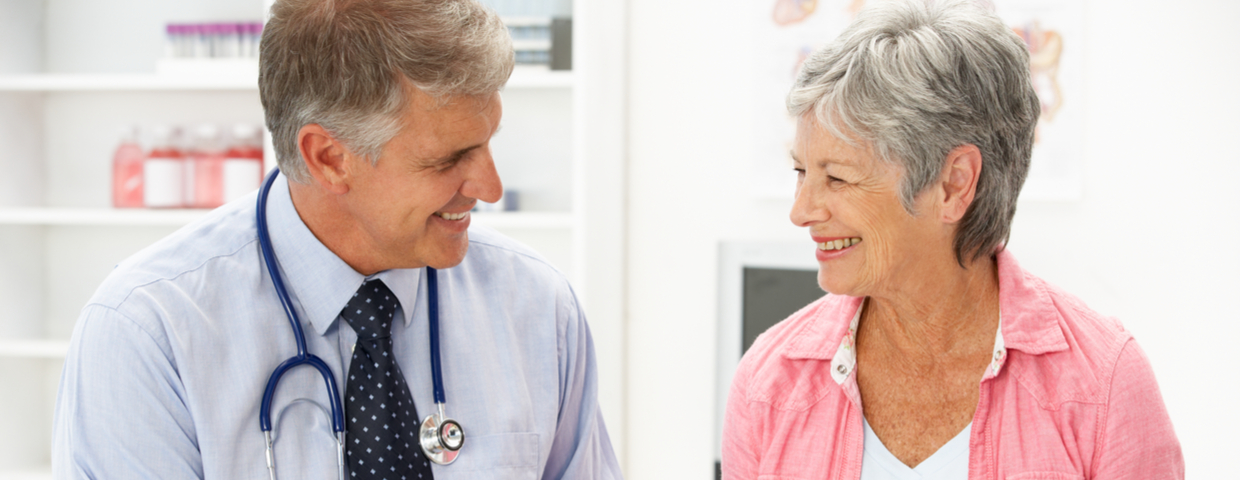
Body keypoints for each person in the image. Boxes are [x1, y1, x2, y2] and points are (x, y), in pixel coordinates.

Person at [51, 0, 622, 478]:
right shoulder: (147, 334)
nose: (490, 187)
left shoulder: (538, 308)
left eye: (488, 141)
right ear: (328, 158)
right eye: (449, 159)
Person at [722, 0, 1183, 478]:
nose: (801, 211)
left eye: (838, 178)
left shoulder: (1104, 385)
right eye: (800, 170)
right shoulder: (768, 383)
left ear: (954, 184)